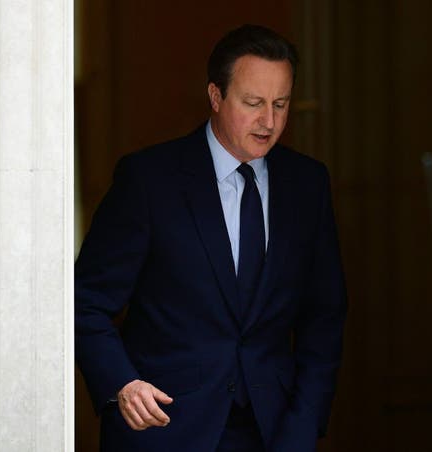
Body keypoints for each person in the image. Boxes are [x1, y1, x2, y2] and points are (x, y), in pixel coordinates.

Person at [75, 24, 347, 452]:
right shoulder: (148, 180)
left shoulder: (307, 183)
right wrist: (121, 383)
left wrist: (304, 423)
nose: (269, 121)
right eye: (253, 103)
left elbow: (324, 318)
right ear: (216, 97)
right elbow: (85, 301)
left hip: (274, 431)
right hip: (165, 429)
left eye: (281, 103)